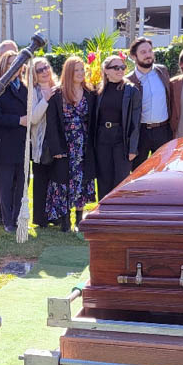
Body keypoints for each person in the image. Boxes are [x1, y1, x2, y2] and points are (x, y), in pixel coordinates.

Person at [43, 56, 97, 232]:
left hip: (84, 146)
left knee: (82, 181)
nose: (81, 73)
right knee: (63, 182)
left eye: (83, 70)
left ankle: (79, 219)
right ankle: (65, 219)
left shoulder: (90, 93)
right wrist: (56, 148)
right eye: (77, 70)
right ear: (68, 72)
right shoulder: (57, 95)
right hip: (65, 145)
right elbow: (51, 123)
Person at [92, 54, 141, 200]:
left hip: (122, 139)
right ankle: (104, 214)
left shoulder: (131, 91)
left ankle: (120, 213)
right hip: (102, 139)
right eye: (116, 67)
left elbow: (135, 121)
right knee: (104, 179)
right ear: (106, 70)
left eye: (123, 67)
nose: (120, 70)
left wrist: (133, 148)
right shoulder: (98, 91)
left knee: (121, 179)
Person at [0, 51, 27, 232]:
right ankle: (8, 221)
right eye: (12, 63)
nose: (16, 66)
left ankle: (18, 217)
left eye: (18, 63)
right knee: (5, 184)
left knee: (21, 183)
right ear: (3, 65)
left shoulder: (25, 87)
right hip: (5, 143)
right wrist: (18, 120)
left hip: (22, 143)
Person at [126, 36, 171, 170]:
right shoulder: (129, 80)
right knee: (138, 171)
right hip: (141, 132)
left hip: (163, 131)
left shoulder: (162, 72)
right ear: (134, 56)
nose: (148, 55)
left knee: (164, 170)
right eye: (143, 52)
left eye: (150, 51)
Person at [29, 56, 58, 228]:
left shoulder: (58, 87)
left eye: (46, 67)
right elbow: (33, 118)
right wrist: (45, 100)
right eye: (39, 70)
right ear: (34, 74)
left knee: (56, 180)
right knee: (41, 180)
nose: (44, 71)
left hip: (58, 141)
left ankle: (55, 215)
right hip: (40, 142)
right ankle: (41, 218)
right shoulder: (33, 91)